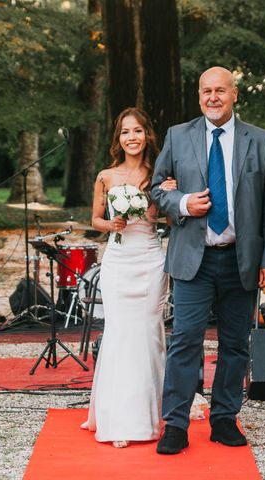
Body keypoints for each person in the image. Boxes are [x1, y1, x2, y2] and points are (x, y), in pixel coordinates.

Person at [151, 66, 265, 454]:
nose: (213, 97)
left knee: (235, 345)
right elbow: (158, 189)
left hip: (242, 260)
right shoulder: (178, 136)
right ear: (199, 96)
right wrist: (183, 203)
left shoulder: (262, 141)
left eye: (220, 91)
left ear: (235, 95)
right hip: (193, 259)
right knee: (185, 342)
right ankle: (175, 423)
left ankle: (224, 418)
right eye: (206, 91)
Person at [81, 107, 175, 448]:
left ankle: (154, 416)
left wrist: (165, 204)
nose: (131, 137)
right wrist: (112, 224)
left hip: (150, 259)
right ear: (118, 139)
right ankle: (116, 417)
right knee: (120, 333)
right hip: (119, 261)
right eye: (125, 132)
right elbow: (94, 220)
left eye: (137, 131)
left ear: (147, 135)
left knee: (149, 334)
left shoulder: (160, 174)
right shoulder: (106, 176)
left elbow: (171, 218)